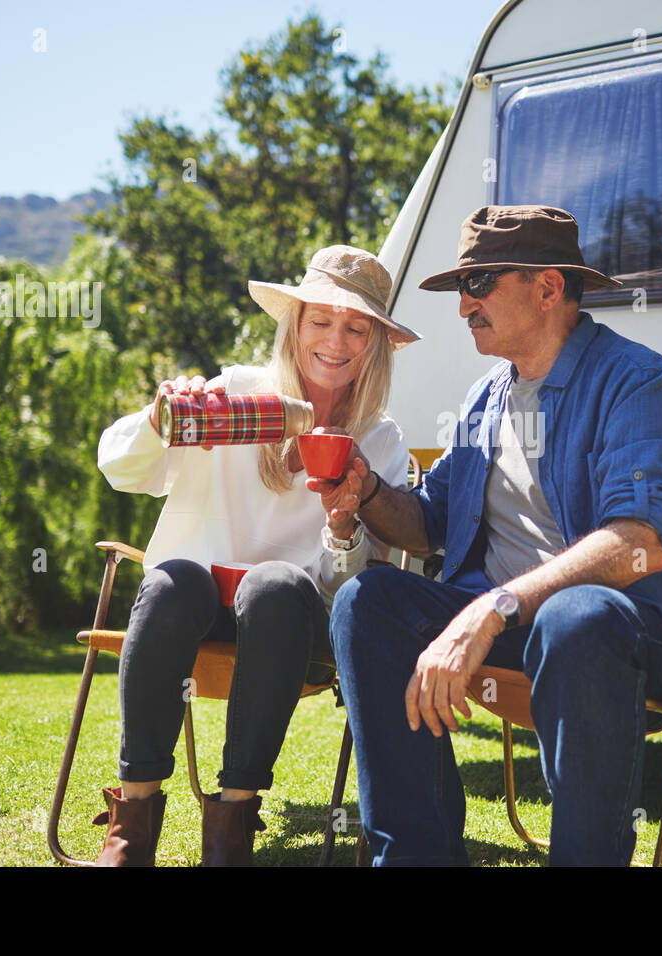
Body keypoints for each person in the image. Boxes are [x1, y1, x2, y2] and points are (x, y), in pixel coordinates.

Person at [312, 205, 662, 866]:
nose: (462, 307)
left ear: (549, 288)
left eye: (479, 285)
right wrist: (368, 494)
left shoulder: (634, 379)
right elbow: (430, 524)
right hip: (510, 626)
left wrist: (493, 608)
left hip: (622, 633)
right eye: (461, 290)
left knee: (577, 613)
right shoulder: (485, 398)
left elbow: (637, 542)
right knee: (369, 602)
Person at [93, 245, 418, 866]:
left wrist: (343, 527)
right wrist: (160, 418)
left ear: (375, 343)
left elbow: (352, 586)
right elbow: (117, 466)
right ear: (294, 327)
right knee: (173, 580)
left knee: (274, 583)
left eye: (356, 327)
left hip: (290, 624)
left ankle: (232, 827)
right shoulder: (237, 394)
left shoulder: (378, 438)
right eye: (320, 321)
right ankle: (131, 826)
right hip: (191, 608)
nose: (336, 340)